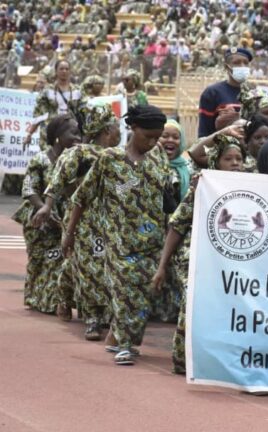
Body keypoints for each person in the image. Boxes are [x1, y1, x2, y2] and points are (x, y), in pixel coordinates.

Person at [63, 105, 170, 366]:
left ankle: (117, 337)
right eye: (149, 136)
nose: (154, 142)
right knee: (125, 291)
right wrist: (70, 234)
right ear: (133, 129)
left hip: (153, 242)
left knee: (145, 294)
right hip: (118, 243)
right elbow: (82, 197)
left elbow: (167, 200)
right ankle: (126, 345)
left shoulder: (158, 160)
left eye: (158, 137)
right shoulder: (109, 160)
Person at [152, 134, 245, 375]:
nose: (235, 163)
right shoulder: (202, 186)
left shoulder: (251, 188)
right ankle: (183, 358)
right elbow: (177, 226)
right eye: (228, 159)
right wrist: (162, 266)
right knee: (193, 298)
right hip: (194, 254)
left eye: (239, 158)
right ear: (216, 162)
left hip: (229, 257)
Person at [34, 105, 120, 330]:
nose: (120, 132)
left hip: (113, 222)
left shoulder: (118, 156)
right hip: (83, 220)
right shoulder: (78, 153)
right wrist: (47, 206)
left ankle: (71, 297)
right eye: (117, 128)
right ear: (107, 130)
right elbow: (58, 181)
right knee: (88, 267)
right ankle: (92, 317)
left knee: (100, 266)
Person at [13, 115, 80, 315]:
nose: (78, 138)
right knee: (40, 259)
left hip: (63, 220)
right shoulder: (40, 159)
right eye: (73, 134)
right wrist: (44, 208)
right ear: (58, 136)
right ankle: (36, 297)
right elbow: (29, 187)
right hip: (38, 219)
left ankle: (52, 301)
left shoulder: (74, 160)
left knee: (59, 259)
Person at [24, 60, 82, 150]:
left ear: (70, 71)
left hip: (71, 132)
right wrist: (29, 134)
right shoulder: (47, 91)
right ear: (56, 71)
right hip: (50, 132)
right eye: (61, 69)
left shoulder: (78, 91)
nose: (64, 71)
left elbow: (84, 112)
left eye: (67, 69)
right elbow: (40, 115)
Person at [198, 47, 253, 138]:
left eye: (245, 63)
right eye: (236, 63)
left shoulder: (255, 93)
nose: (242, 66)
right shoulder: (212, 93)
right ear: (226, 67)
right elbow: (204, 133)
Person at [159, 119, 191, 203]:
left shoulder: (188, 167)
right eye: (165, 136)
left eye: (175, 137)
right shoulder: (149, 164)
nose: (170, 140)